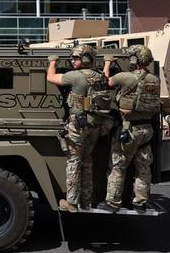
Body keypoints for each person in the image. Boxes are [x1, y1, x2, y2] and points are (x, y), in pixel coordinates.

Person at [47, 44, 112, 213]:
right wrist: (107, 64)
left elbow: (51, 78)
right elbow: (106, 77)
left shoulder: (75, 76)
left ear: (84, 60)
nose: (72, 61)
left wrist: (52, 62)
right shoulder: (99, 77)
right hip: (94, 126)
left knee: (74, 161)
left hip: (78, 127)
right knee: (87, 161)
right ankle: (86, 200)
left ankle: (72, 203)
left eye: (75, 58)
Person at [97, 45, 160, 213]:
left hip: (129, 130)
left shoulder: (126, 77)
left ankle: (112, 203)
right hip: (147, 130)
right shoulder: (154, 80)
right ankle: (140, 203)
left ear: (134, 60)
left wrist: (108, 63)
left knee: (118, 166)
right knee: (143, 168)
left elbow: (105, 81)